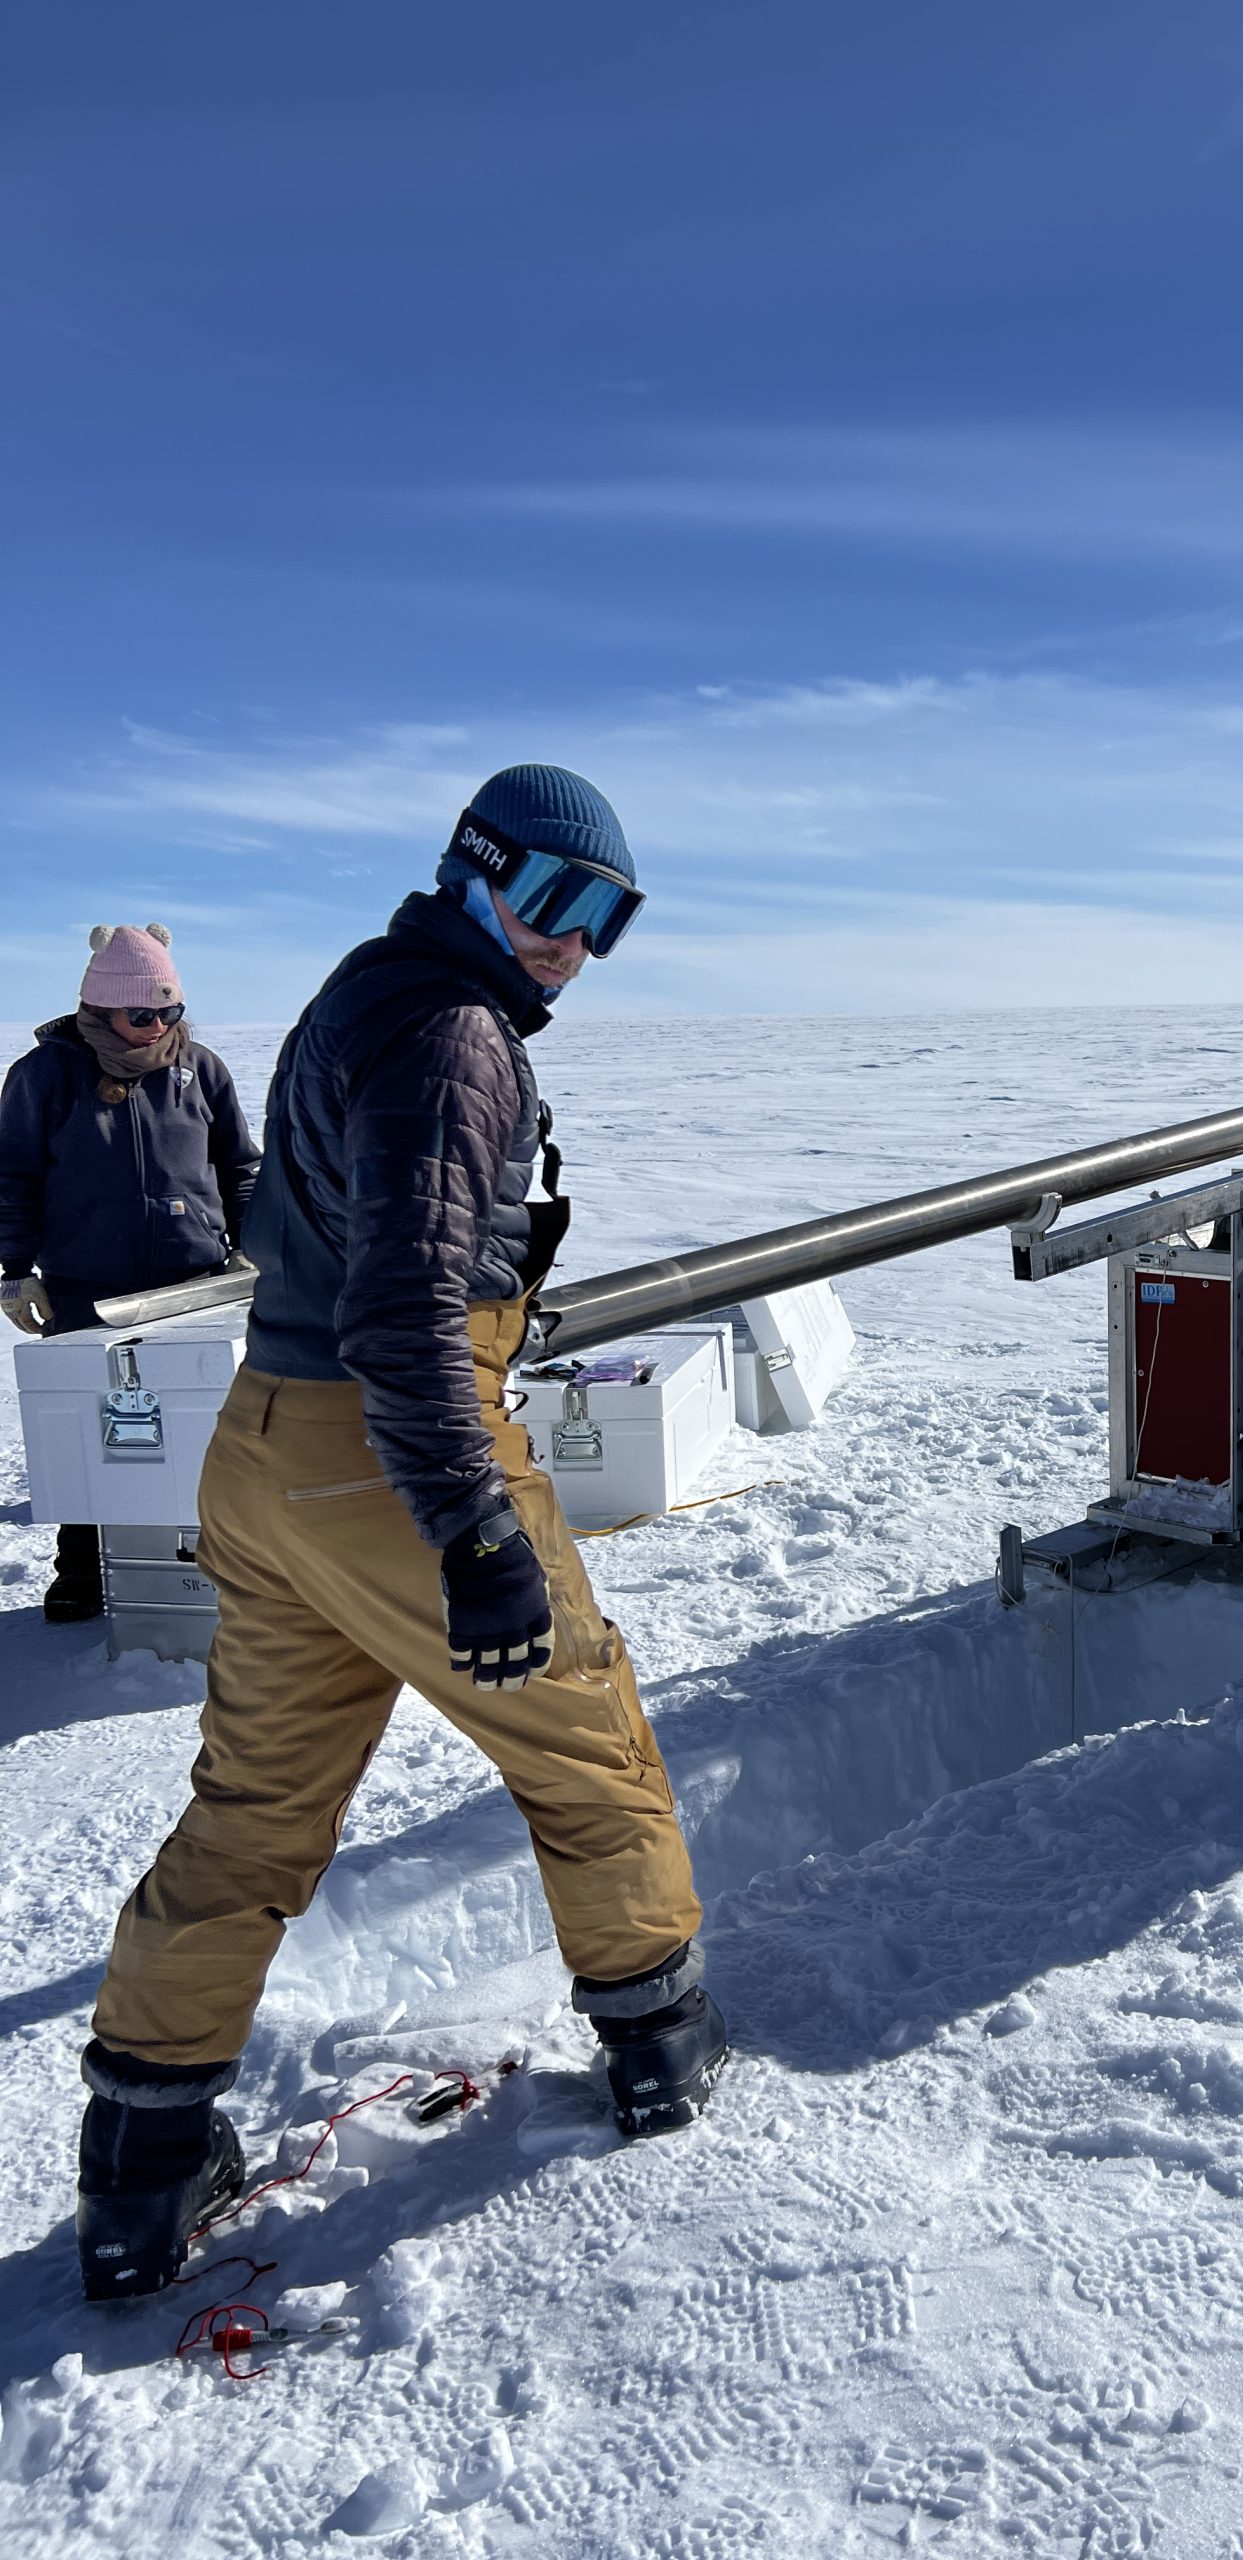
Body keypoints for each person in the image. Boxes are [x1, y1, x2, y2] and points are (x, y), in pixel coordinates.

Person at [75, 766, 725, 2301]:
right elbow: (408, 1312)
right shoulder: (453, 1039)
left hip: (264, 1449)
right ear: (473, 872)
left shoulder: (371, 989)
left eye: (608, 921)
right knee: (588, 1740)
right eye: (551, 899)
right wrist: (475, 1532)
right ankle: (661, 2043)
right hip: (389, 1459)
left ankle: (142, 2164)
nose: (571, 943)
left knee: (252, 1806)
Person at [0, 925, 259, 1622]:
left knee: (206, 1427)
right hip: (89, 1289)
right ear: (99, 1007)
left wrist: (254, 1243)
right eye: (141, 1015)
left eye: (169, 1013)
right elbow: (13, 1176)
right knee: (98, 1430)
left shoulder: (200, 1070)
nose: (157, 1028)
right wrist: (14, 1271)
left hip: (196, 1287)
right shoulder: (45, 1075)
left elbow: (239, 1166)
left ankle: (213, 1557)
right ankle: (83, 1562)